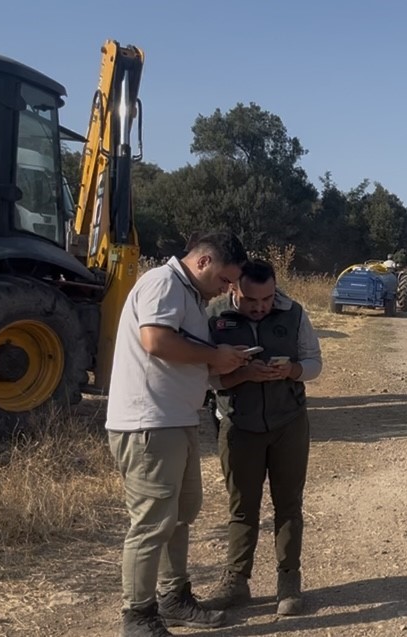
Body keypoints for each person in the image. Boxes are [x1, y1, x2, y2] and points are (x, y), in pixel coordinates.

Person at [105, 231, 252, 637]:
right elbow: (155, 340)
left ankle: (174, 598)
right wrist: (214, 356)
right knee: (152, 523)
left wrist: (230, 366)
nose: (227, 290)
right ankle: (137, 616)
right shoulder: (162, 283)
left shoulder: (188, 295)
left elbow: (183, 357)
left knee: (180, 517)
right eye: (225, 280)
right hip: (148, 423)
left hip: (177, 420)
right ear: (204, 262)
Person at [205, 259, 323, 617]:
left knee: (288, 505)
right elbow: (204, 377)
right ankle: (236, 581)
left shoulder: (294, 313)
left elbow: (315, 362)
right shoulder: (212, 317)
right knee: (242, 508)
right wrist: (243, 376)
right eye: (250, 301)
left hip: (289, 423)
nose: (259, 308)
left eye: (267, 299)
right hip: (239, 427)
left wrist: (293, 370)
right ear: (232, 289)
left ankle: (289, 582)